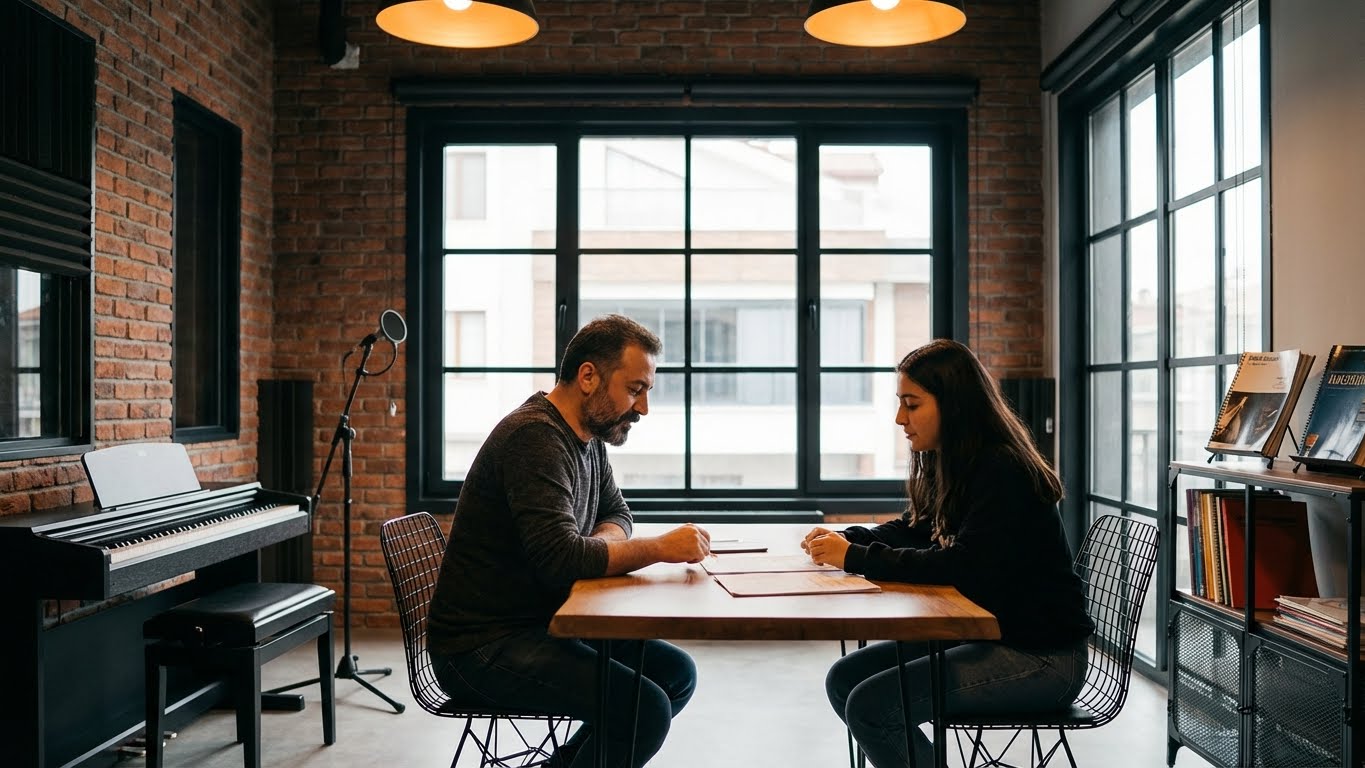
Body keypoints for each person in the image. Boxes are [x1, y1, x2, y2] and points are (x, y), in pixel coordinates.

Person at [426, 314, 711, 768]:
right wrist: (658, 548)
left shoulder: (589, 435)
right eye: (635, 389)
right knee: (644, 709)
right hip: (481, 647)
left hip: (546, 622)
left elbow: (617, 512)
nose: (643, 409)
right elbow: (562, 558)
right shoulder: (535, 437)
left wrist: (596, 546)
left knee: (676, 675)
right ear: (588, 376)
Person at [803, 339, 1092, 768]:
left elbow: (964, 567)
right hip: (993, 637)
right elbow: (915, 529)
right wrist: (851, 538)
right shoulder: (958, 461)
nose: (900, 419)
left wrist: (855, 557)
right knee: (845, 679)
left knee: (871, 706)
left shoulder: (1002, 470)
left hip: (1042, 658)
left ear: (953, 405)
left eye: (912, 404)